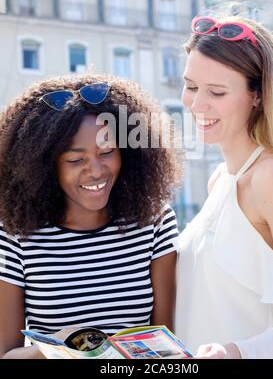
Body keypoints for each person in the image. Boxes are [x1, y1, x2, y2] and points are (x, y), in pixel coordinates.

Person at [0, 74, 181, 359]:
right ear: (45, 166)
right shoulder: (15, 234)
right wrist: (63, 347)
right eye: (75, 160)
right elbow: (7, 354)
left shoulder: (154, 220)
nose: (96, 170)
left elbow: (165, 345)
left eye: (107, 152)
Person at [175, 15, 273, 359]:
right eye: (190, 86)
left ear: (257, 96)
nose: (197, 104)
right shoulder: (220, 178)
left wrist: (236, 352)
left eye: (216, 91)